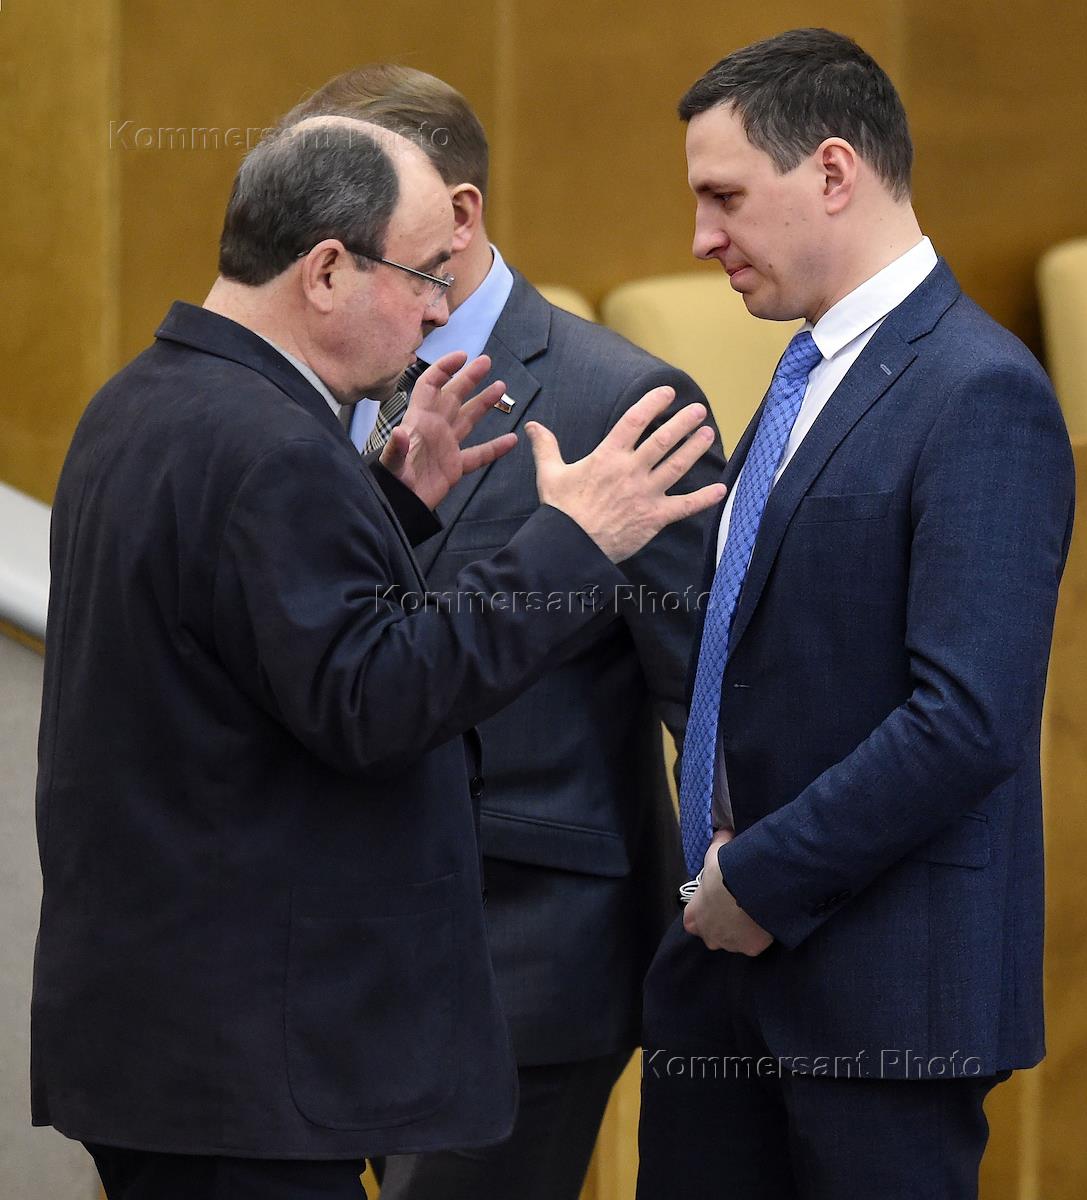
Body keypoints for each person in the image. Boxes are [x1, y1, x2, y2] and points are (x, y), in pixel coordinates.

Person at [30, 115, 726, 1200]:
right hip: (249, 1056)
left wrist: (389, 510)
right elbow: (376, 702)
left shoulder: (139, 404)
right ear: (324, 271)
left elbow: (255, 641)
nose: (440, 311)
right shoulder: (276, 449)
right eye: (423, 277)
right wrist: (573, 539)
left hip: (157, 1034)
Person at [638, 28, 1075, 1200]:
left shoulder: (980, 390)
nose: (701, 239)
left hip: (878, 1009)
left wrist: (757, 881)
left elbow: (966, 720)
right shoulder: (802, 374)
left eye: (724, 197)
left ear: (832, 170)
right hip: (718, 985)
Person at [279, 67, 726, 1200]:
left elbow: (703, 690)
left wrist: (737, 898)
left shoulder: (624, 400)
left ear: (458, 214)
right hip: (323, 957)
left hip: (529, 960)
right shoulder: (310, 380)